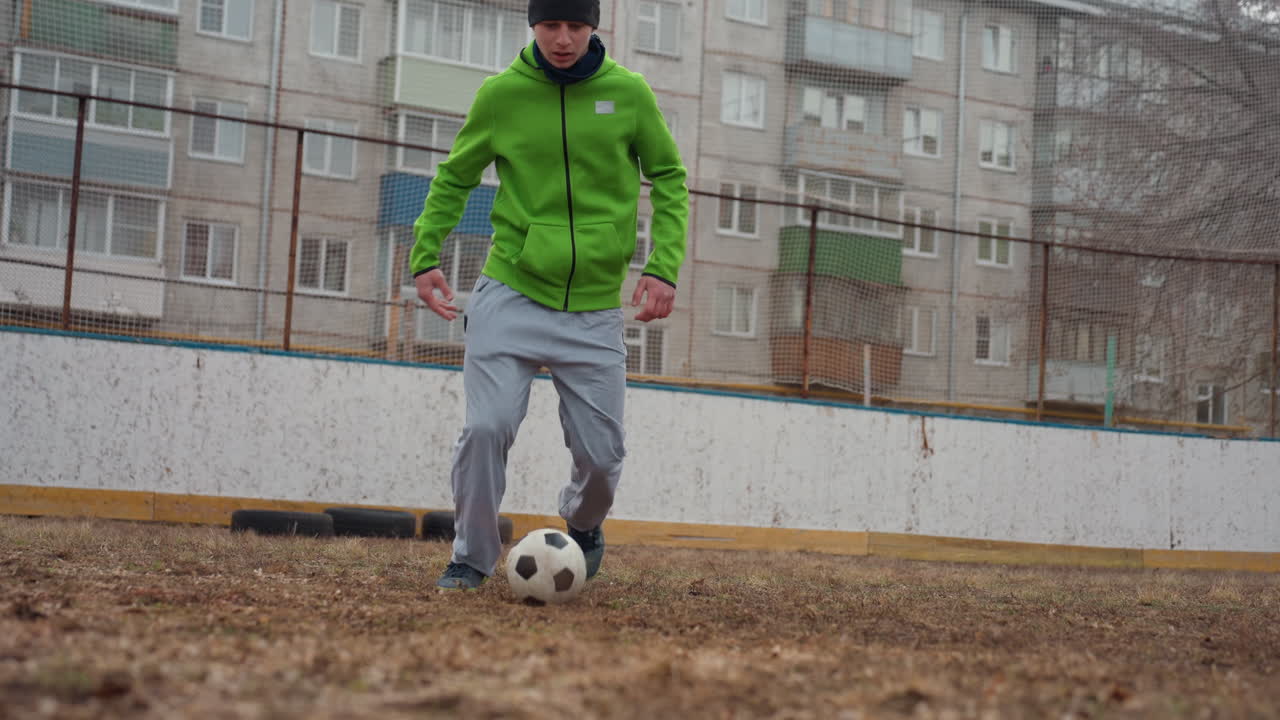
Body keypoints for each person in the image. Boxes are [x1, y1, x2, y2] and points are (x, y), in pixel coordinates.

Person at [411, 0, 689, 590]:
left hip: (592, 308)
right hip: (510, 291)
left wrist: (662, 266)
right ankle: (471, 556)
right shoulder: (501, 95)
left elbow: (668, 176)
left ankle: (584, 523)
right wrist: (424, 255)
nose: (563, 39)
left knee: (603, 459)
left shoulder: (629, 93)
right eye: (550, 25)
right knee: (485, 429)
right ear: (533, 25)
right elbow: (456, 175)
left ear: (594, 28)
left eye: (575, 26)